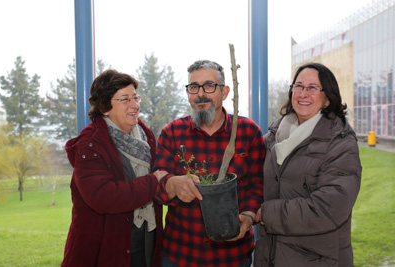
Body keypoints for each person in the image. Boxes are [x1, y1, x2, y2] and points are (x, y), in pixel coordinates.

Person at [153, 60, 265, 267]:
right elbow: (156, 183)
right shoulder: (172, 133)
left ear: (224, 92)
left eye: (209, 86)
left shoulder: (248, 132)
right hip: (180, 255)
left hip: (233, 257)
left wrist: (248, 217)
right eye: (193, 87)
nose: (200, 94)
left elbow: (258, 186)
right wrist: (172, 184)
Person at [253, 63, 362, 267]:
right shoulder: (275, 137)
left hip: (317, 260)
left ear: (328, 98)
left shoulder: (340, 143)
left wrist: (266, 213)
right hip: (271, 257)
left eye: (312, 88)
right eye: (299, 86)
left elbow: (328, 208)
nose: (303, 93)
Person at [61, 69, 167, 267]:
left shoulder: (145, 135)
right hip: (105, 249)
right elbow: (102, 196)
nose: (135, 105)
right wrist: (154, 182)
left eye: (135, 97)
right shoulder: (90, 144)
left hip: (146, 244)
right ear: (104, 107)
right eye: (125, 99)